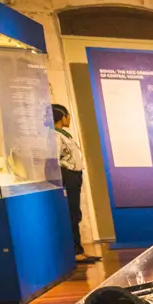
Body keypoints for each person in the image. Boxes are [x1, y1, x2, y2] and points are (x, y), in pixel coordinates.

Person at [53, 104, 99, 264]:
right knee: (72, 212)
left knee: (75, 211)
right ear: (62, 117)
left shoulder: (63, 134)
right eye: (67, 115)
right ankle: (74, 250)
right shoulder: (55, 135)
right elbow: (55, 158)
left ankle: (78, 248)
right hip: (67, 175)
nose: (69, 118)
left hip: (73, 174)